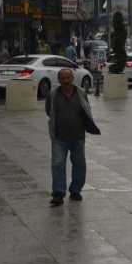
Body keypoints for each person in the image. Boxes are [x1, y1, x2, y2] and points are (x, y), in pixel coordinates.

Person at [45, 68, 101, 206]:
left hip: (77, 136)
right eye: (63, 78)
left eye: (68, 78)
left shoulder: (81, 92)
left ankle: (75, 190)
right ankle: (58, 194)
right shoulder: (53, 94)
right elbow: (49, 111)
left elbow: (86, 109)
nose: (65, 81)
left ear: (72, 78)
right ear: (59, 80)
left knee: (79, 165)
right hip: (59, 137)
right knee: (57, 164)